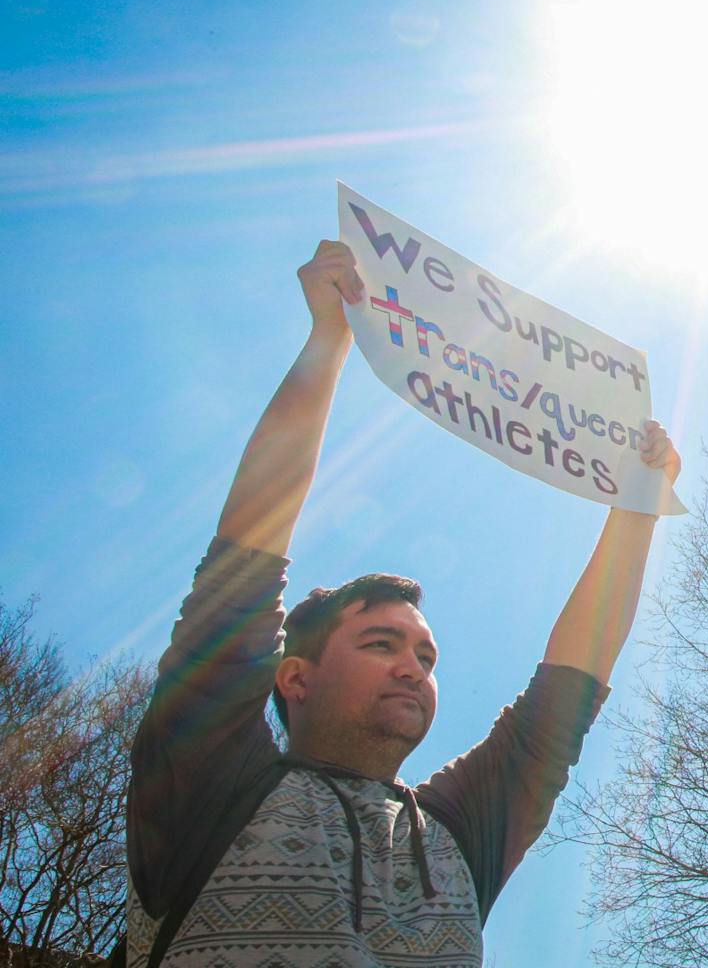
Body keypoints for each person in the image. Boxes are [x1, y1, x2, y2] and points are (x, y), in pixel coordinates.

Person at [119, 239, 678, 967]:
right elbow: (243, 563)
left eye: (425, 655)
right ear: (295, 676)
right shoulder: (209, 778)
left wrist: (637, 504)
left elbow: (567, 694)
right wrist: (329, 340)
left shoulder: (460, 832)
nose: (413, 667)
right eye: (380, 644)